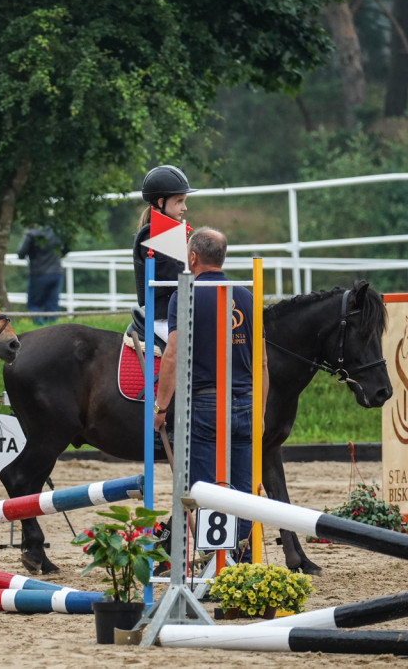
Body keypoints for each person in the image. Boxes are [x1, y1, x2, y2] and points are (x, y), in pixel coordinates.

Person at [151, 227, 269, 563]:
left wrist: (161, 407)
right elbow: (261, 361)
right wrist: (259, 412)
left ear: (192, 257)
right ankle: (242, 565)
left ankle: (216, 563)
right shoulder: (246, 296)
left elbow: (172, 355)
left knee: (205, 489)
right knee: (245, 492)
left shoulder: (183, 295)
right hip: (246, 403)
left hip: (203, 404)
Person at [132, 165, 197, 344]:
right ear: (161, 202)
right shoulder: (151, 234)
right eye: (179, 201)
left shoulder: (167, 231)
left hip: (176, 313)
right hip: (163, 318)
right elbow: (176, 277)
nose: (184, 207)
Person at [17, 224, 66, 325]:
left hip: (38, 273)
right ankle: (54, 331)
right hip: (56, 272)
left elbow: (21, 253)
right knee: (52, 306)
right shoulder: (57, 231)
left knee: (33, 305)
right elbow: (68, 247)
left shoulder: (31, 234)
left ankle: (39, 328)